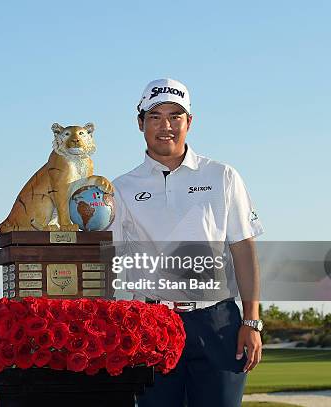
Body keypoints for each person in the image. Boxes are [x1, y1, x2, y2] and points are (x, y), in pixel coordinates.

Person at [109, 78, 264, 407]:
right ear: (140, 123)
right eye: (155, 117)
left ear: (189, 122)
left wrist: (252, 321)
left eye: (175, 116)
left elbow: (244, 251)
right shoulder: (119, 189)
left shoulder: (222, 176)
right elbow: (109, 264)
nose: (165, 126)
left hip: (217, 323)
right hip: (152, 323)